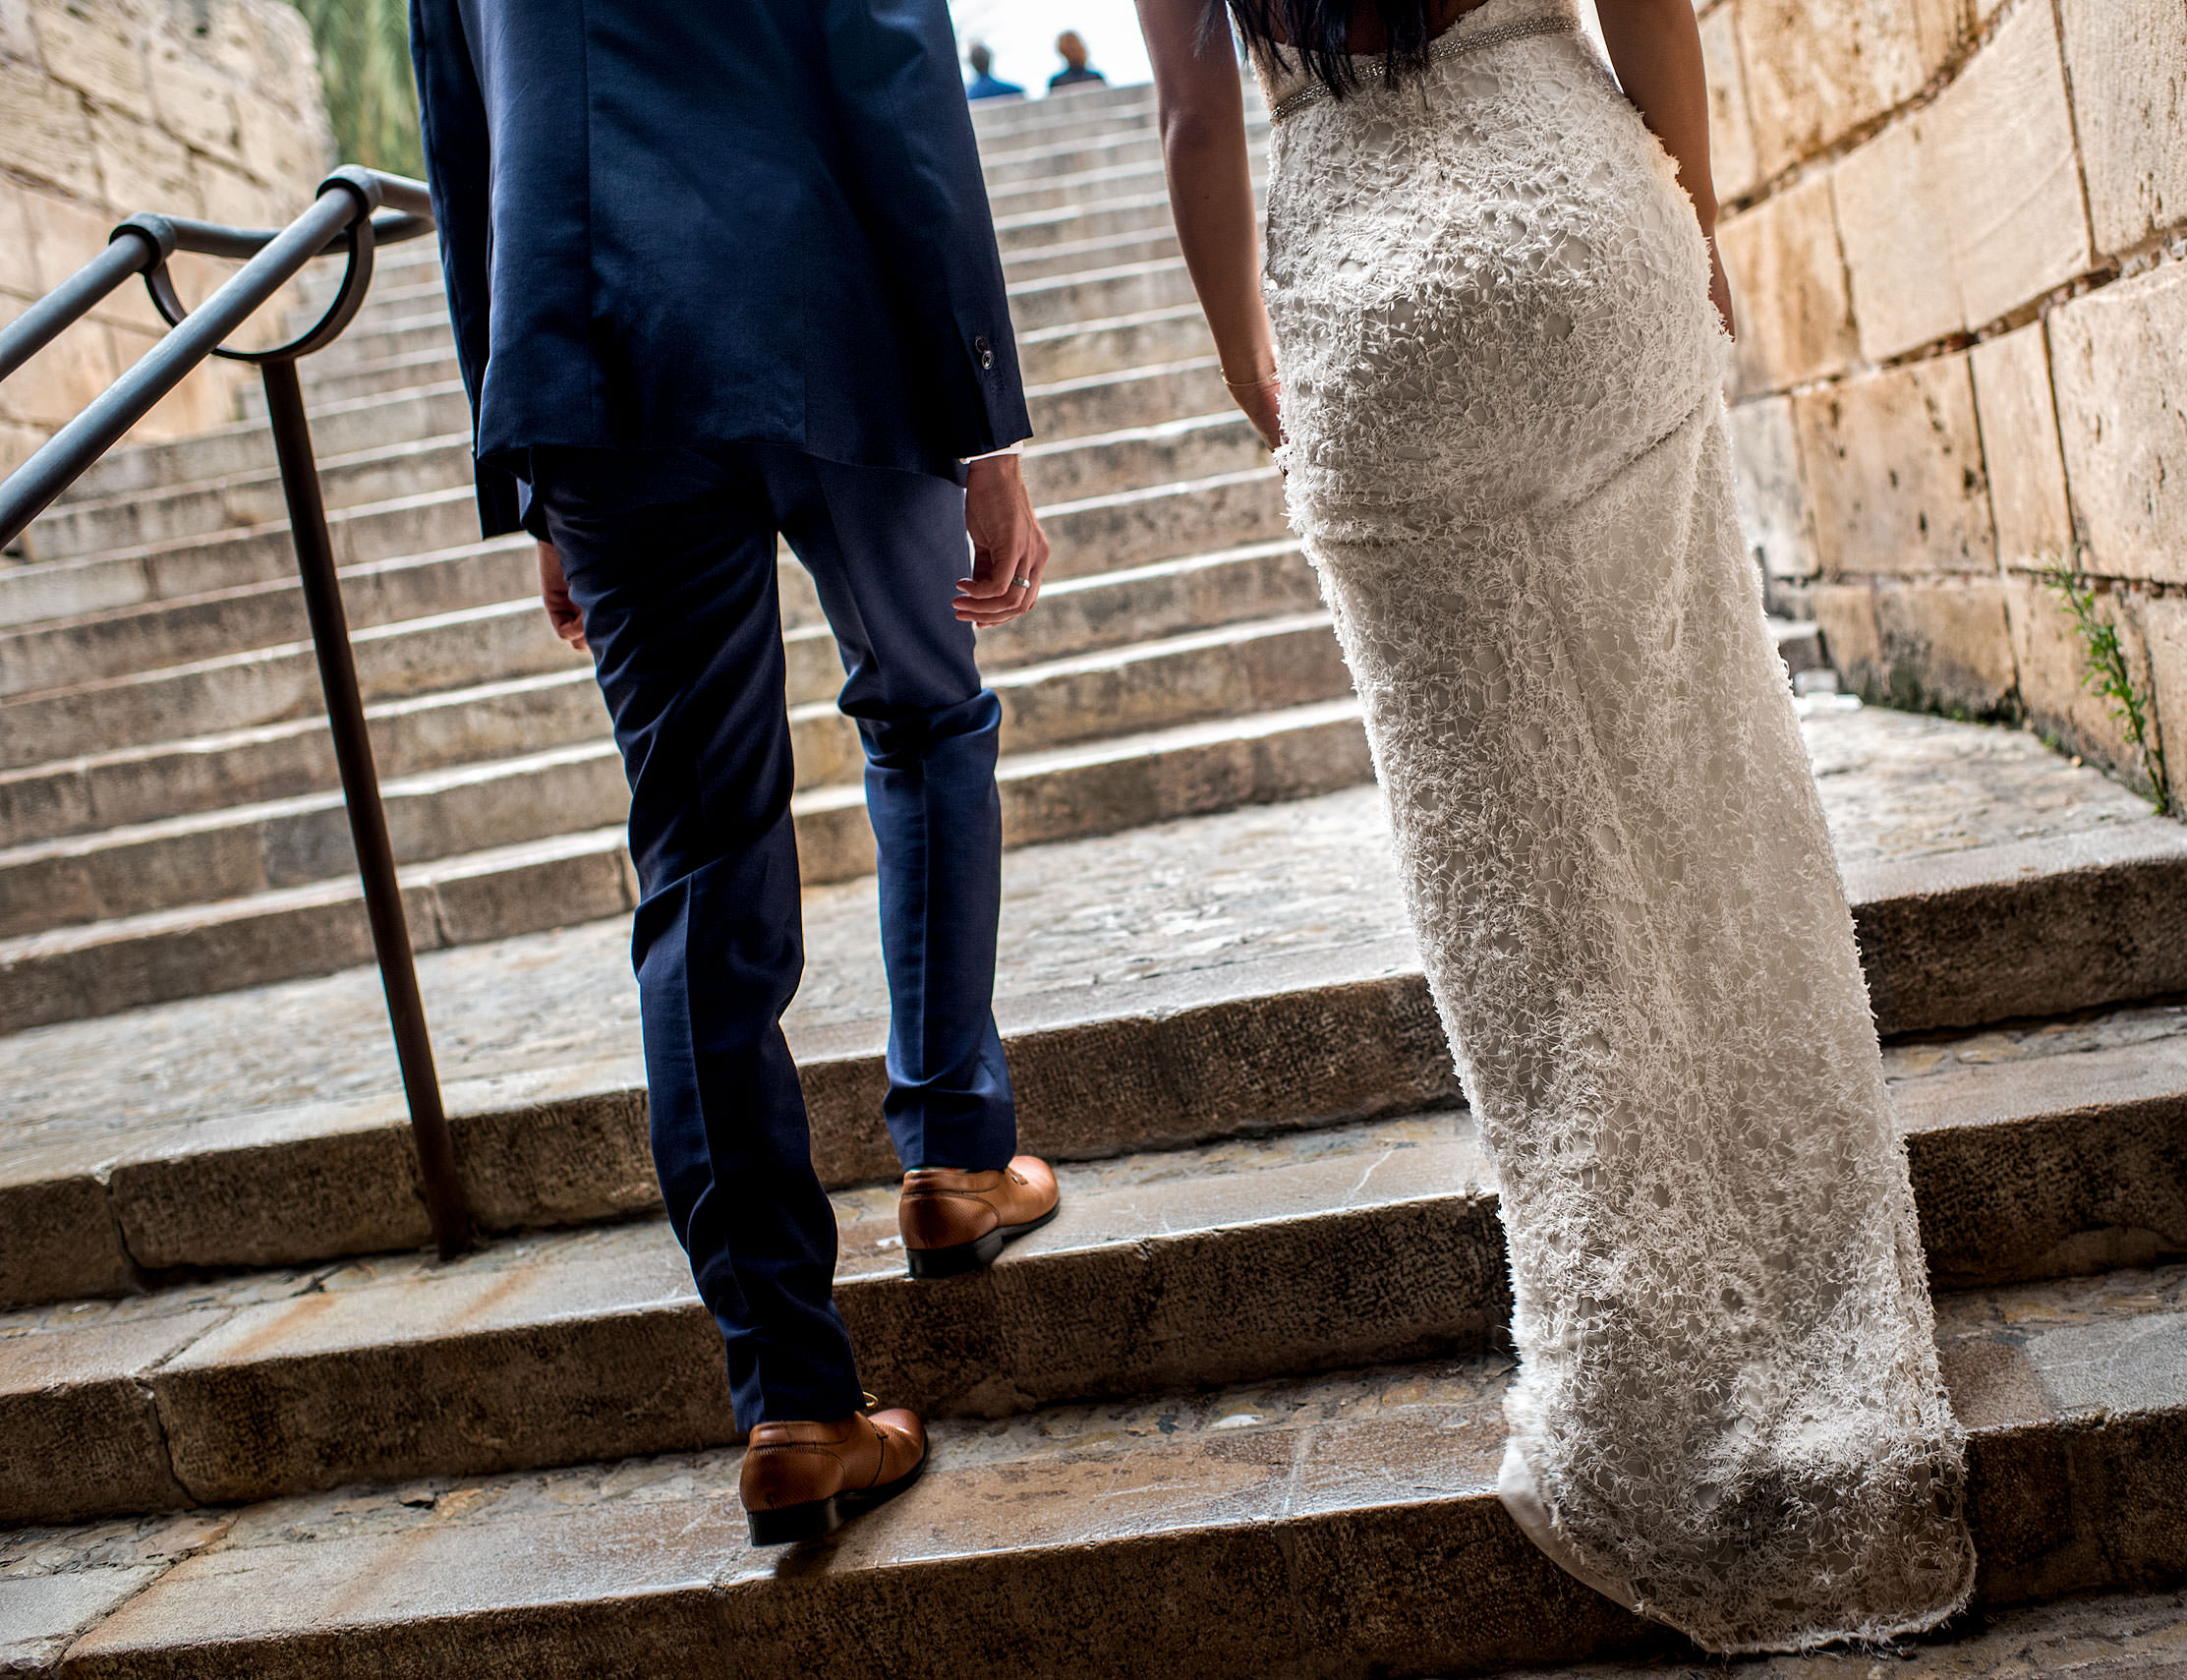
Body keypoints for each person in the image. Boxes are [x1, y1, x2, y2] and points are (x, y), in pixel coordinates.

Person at [1133, 0, 1975, 1652]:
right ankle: (1811, 1282)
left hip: (1370, 295)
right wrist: (1696, 216)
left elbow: (1194, 120)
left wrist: (1251, 349)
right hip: (1583, 224)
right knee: (1710, 787)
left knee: (1519, 880)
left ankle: (1637, 1359)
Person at [409, 0, 1065, 1547]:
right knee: (924, 712)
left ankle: (791, 1398)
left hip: (590, 377)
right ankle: (958, 1155)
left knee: (700, 866)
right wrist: (985, 415)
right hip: (826, 312)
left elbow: (464, 141)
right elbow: (894, 60)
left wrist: (529, 470)